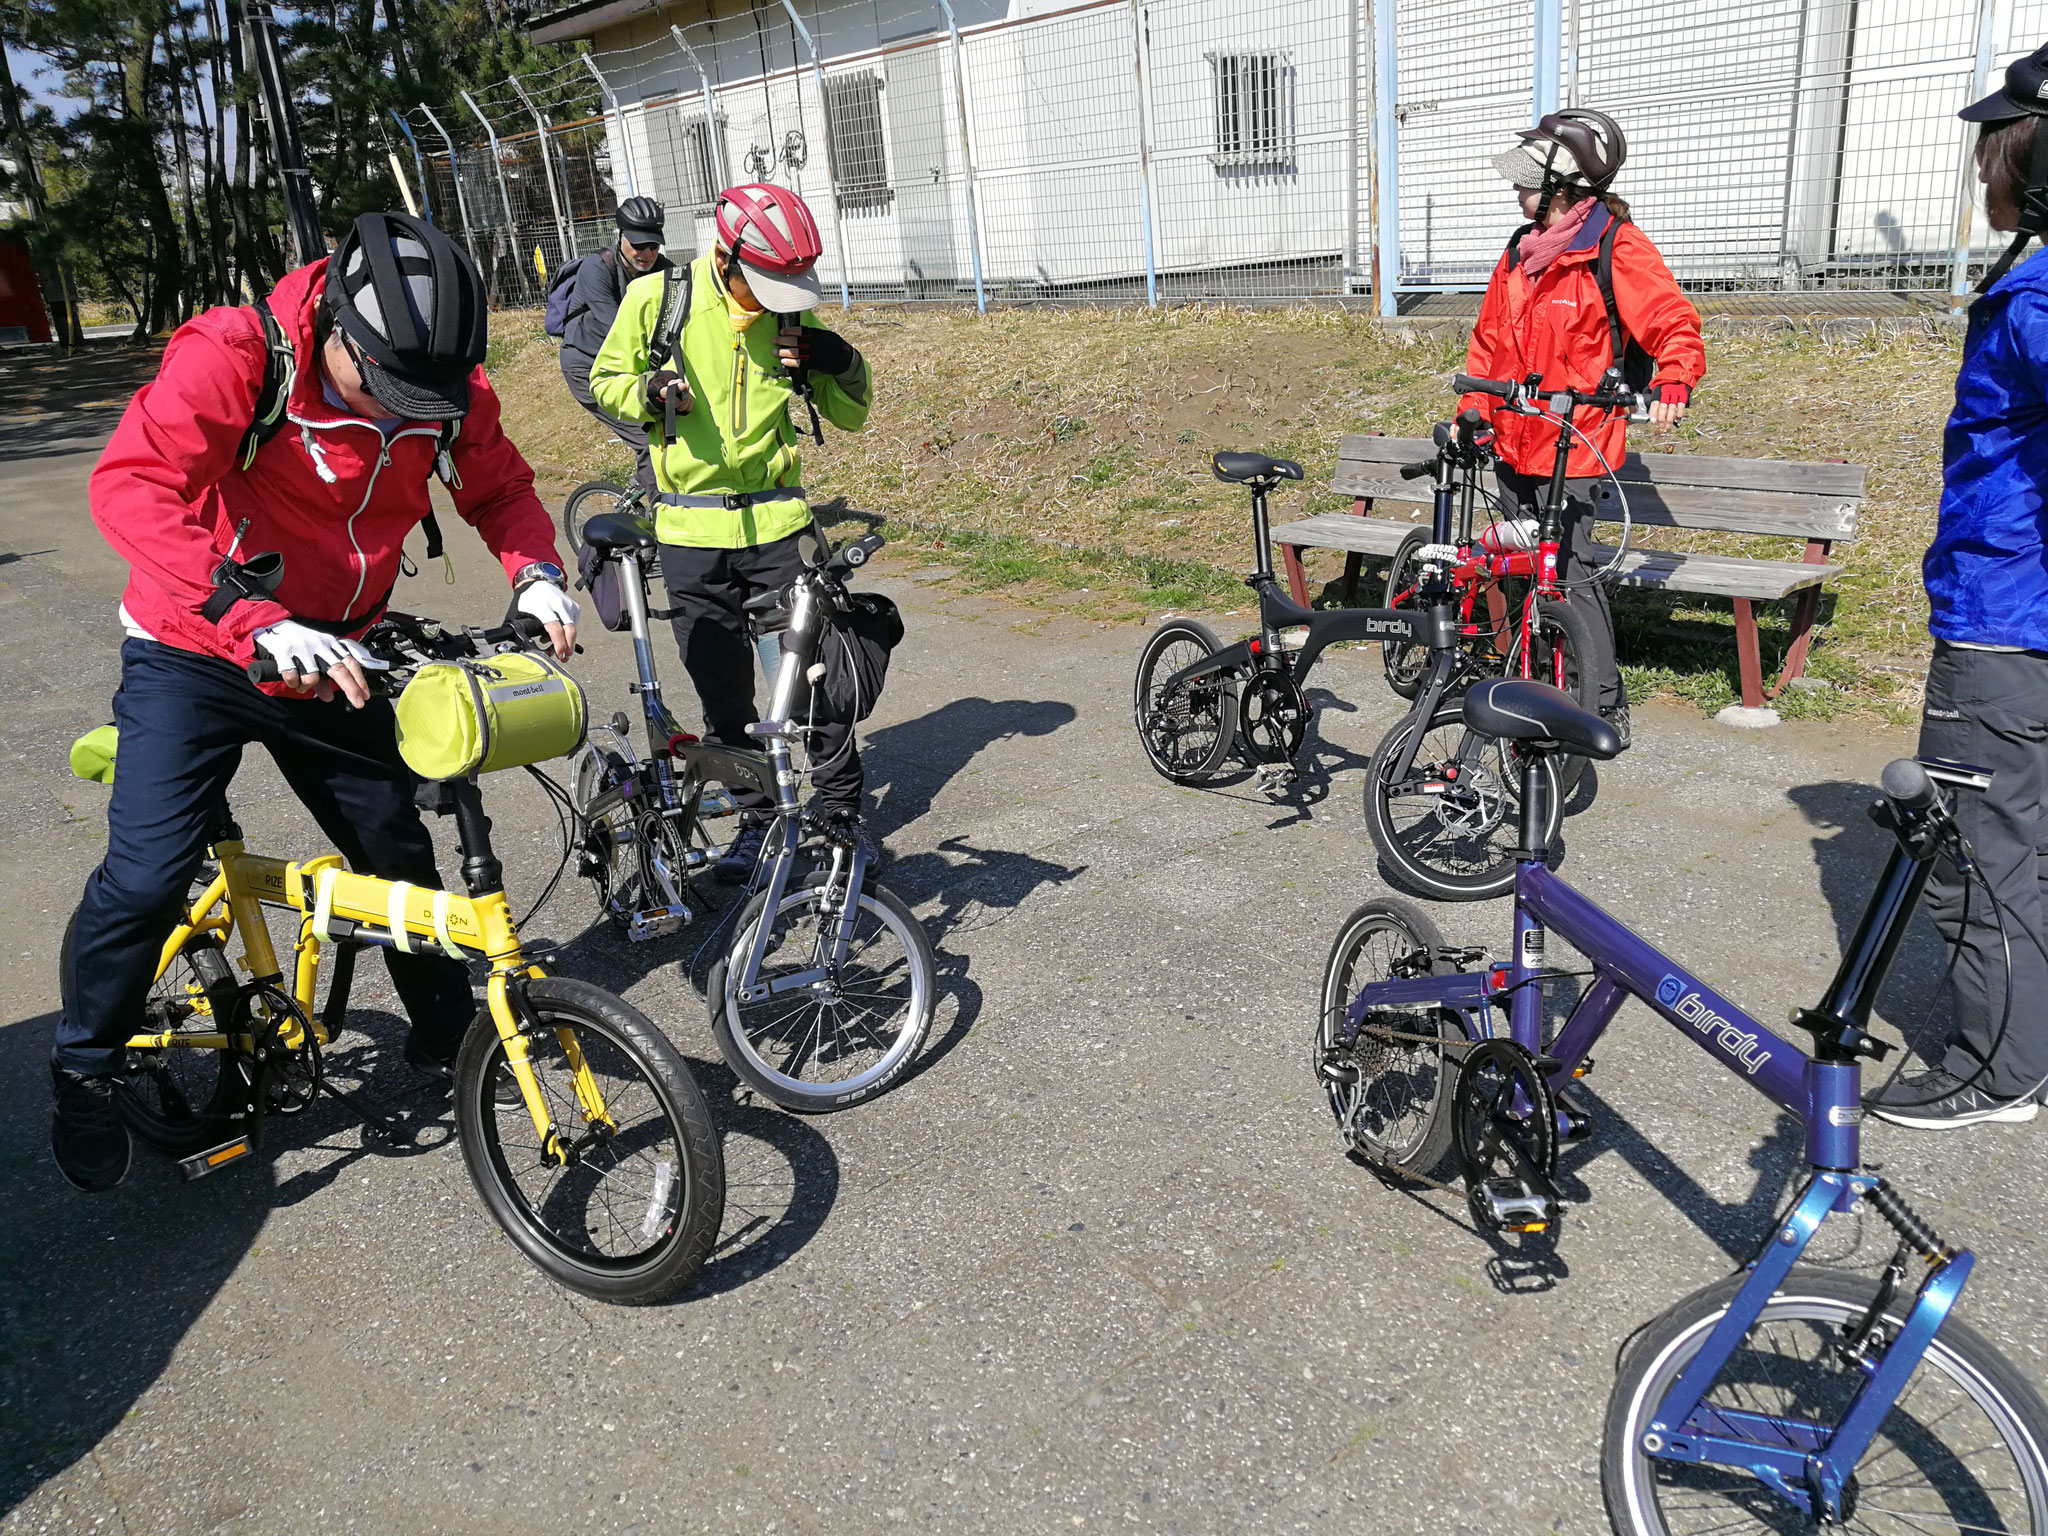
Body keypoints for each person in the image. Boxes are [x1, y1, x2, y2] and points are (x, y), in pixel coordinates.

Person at [53, 211, 579, 1193]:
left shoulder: (440, 381)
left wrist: (536, 570)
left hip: (336, 651)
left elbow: (497, 487)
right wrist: (245, 613)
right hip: (197, 647)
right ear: (335, 323)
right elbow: (132, 486)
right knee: (146, 875)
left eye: (416, 401)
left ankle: (449, 1042)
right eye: (377, 389)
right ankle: (82, 1067)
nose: (395, 416)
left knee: (399, 852)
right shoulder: (239, 352)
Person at [588, 182, 874, 881]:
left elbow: (854, 413)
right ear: (727, 260)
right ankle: (759, 820)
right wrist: (649, 392)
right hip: (691, 533)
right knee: (723, 693)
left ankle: (841, 823)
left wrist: (838, 359)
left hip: (779, 528)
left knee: (816, 685)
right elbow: (606, 378)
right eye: (765, 284)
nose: (778, 299)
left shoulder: (787, 320)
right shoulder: (659, 301)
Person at [1866, 42, 2048, 1130]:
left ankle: (1994, 1071)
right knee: (2023, 846)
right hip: (2017, 620)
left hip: (2003, 624)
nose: (1980, 166)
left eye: (1995, 145)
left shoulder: (2032, 302)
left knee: (1976, 852)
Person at [1460, 108, 1705, 746]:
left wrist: (1674, 376)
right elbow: (1488, 344)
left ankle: (1600, 702)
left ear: (1563, 186)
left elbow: (1672, 318)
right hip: (1512, 440)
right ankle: (1530, 686)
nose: (1517, 190)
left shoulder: (1616, 247)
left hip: (1577, 444)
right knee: (1517, 567)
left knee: (1569, 575)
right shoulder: (1519, 253)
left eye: (1528, 178)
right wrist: (1475, 410)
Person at [557, 196, 674, 498]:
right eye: (638, 245)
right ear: (619, 235)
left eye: (653, 246)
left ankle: (641, 489)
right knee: (648, 438)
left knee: (676, 429)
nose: (646, 254)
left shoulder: (663, 269)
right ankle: (659, 520)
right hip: (588, 368)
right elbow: (620, 330)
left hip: (630, 369)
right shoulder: (596, 268)